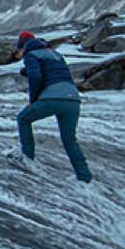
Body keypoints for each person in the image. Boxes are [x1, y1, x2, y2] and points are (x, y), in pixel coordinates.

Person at [12, 31, 93, 182]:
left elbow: (36, 76)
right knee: (69, 139)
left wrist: (33, 99)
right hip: (73, 99)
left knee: (23, 119)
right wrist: (26, 71)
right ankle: (84, 176)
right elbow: (53, 71)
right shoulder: (55, 54)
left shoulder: (31, 55)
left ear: (23, 47)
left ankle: (27, 158)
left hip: (53, 98)